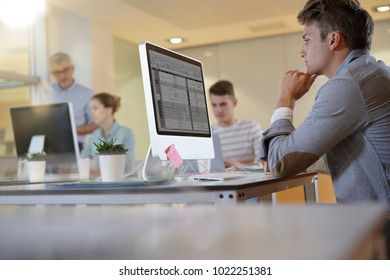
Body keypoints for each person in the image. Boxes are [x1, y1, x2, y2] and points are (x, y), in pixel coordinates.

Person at [260, 0, 390, 205]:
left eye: (307, 40)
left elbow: (279, 163)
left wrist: (286, 99)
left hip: (379, 226)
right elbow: (358, 154)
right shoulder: (373, 72)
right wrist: (290, 156)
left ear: (333, 40)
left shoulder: (347, 85)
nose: (302, 51)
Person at [37, 52, 98, 150]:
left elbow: (96, 124)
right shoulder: (44, 94)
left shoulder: (87, 94)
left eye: (65, 70)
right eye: (56, 73)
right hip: (48, 146)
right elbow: (37, 121)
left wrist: (71, 130)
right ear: (51, 73)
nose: (62, 76)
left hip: (75, 146)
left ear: (72, 69)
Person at [209, 80, 263, 168]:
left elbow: (264, 164)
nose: (218, 110)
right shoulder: (209, 133)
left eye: (223, 104)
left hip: (249, 180)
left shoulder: (251, 127)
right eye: (214, 105)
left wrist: (238, 166)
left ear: (234, 103)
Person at [80, 92, 136, 174]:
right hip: (99, 183)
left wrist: (100, 172)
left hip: (120, 183)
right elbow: (82, 161)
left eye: (95, 108)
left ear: (109, 110)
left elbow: (128, 166)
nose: (91, 113)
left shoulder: (126, 133)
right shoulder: (93, 136)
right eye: (90, 109)